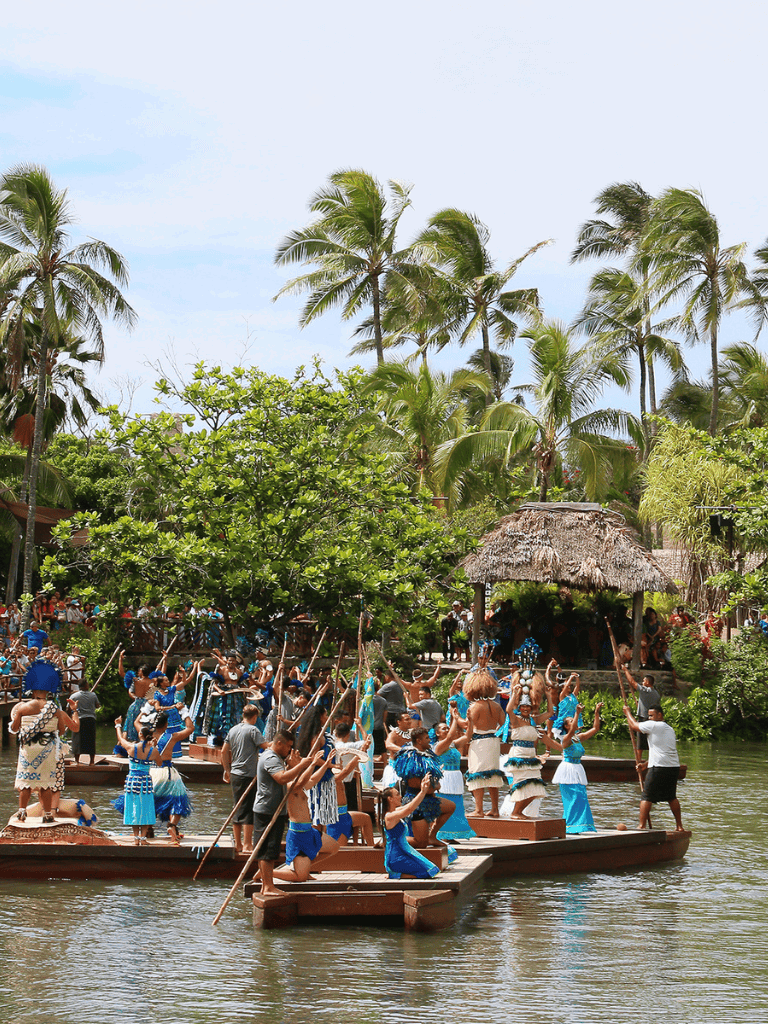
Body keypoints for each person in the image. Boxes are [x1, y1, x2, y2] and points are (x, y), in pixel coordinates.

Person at [252, 729, 318, 896]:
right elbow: (281, 778)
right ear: (279, 743)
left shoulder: (276, 758)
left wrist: (295, 765)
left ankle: (267, 885)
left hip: (274, 809)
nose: (289, 750)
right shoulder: (270, 758)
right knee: (267, 851)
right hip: (267, 809)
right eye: (288, 746)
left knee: (270, 850)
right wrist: (302, 766)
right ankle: (268, 887)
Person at [10, 666, 80, 822]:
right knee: (46, 784)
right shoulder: (55, 710)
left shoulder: (23, 708)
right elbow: (61, 731)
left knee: (26, 782)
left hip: (28, 749)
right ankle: (48, 814)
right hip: (47, 749)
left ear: (32, 690)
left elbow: (14, 729)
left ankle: (22, 812)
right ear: (48, 691)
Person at [272, 750, 340, 883]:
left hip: (309, 831)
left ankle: (305, 867)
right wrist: (312, 764)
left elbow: (313, 780)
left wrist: (326, 765)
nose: (299, 756)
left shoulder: (300, 784)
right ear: (289, 762)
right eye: (295, 757)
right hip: (298, 834)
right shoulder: (288, 785)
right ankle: (268, 872)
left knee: (333, 847)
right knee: (300, 878)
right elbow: (301, 781)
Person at [540, 702, 604, 833]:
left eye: (573, 720)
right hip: (568, 770)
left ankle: (578, 825)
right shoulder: (566, 739)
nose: (574, 722)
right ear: (565, 726)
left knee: (581, 797)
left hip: (577, 769)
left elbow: (595, 728)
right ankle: (571, 826)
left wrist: (596, 712)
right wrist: (577, 713)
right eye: (570, 721)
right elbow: (574, 727)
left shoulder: (577, 738)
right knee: (573, 798)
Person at [623, 703, 685, 832]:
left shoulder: (655, 725)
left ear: (659, 715)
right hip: (672, 767)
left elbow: (634, 726)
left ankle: (641, 826)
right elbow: (661, 751)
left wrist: (627, 712)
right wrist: (645, 765)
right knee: (671, 796)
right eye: (648, 716)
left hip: (660, 767)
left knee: (646, 796)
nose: (649, 718)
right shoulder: (670, 729)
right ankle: (679, 826)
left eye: (652, 715)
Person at [392, 726, 454, 847]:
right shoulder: (411, 758)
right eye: (426, 738)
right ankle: (391, 839)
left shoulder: (426, 755)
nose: (429, 740)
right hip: (416, 802)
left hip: (428, 799)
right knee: (421, 843)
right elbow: (416, 784)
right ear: (419, 741)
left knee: (450, 806)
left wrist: (433, 785)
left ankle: (432, 836)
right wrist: (435, 786)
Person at [500, 684, 550, 820]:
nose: (526, 708)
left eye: (528, 706)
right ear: (520, 707)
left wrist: (548, 694)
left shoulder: (534, 720)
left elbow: (551, 712)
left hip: (530, 756)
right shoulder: (516, 720)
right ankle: (516, 812)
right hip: (519, 755)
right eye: (523, 706)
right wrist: (515, 693)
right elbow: (509, 709)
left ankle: (518, 811)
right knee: (523, 784)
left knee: (536, 787)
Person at [222, 704, 268, 853]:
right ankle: (247, 844)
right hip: (248, 774)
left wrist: (226, 770)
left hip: (235, 773)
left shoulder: (233, 729)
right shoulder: (253, 730)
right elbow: (265, 746)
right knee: (248, 809)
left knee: (238, 806)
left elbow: (224, 751)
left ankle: (238, 844)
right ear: (254, 717)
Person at [380, 778, 441, 880]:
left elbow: (410, 806)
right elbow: (409, 810)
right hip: (395, 857)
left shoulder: (395, 811)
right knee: (426, 873)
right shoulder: (389, 817)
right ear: (390, 799)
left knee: (432, 870)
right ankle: (395, 875)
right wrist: (422, 791)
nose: (400, 796)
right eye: (397, 795)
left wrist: (423, 791)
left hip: (402, 853)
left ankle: (395, 873)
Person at [464, 668, 506, 817]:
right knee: (492, 774)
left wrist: (456, 717)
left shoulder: (474, 706)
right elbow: (504, 725)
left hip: (479, 742)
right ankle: (495, 809)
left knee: (477, 774)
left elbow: (467, 725)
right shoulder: (496, 706)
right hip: (493, 741)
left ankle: (478, 809)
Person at [113, 719, 158, 844]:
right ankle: (143, 839)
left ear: (140, 735)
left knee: (134, 808)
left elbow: (121, 741)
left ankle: (136, 838)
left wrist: (118, 726)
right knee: (145, 808)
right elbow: (160, 762)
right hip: (145, 782)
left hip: (133, 782)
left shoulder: (132, 747)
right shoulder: (153, 751)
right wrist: (154, 746)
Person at [433, 718, 476, 842]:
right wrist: (455, 719)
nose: (446, 730)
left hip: (456, 777)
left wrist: (470, 720)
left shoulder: (453, 744)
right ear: (437, 733)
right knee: (446, 804)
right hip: (445, 778)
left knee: (457, 805)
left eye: (447, 727)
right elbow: (451, 736)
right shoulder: (439, 746)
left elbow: (468, 735)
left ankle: (451, 834)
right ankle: (442, 833)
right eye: (443, 729)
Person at [618, 662, 661, 765]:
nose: (642, 682)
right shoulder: (656, 693)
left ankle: (638, 762)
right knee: (651, 742)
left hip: (644, 719)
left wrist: (625, 670)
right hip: (653, 720)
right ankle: (650, 761)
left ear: (647, 682)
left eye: (643, 680)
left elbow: (632, 682)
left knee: (640, 744)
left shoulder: (645, 690)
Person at [69, 684, 100, 766]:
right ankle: (92, 761)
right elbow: (97, 705)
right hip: (90, 719)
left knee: (77, 739)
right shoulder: (93, 695)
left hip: (79, 719)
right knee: (91, 740)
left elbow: (69, 707)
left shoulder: (74, 696)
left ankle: (77, 761)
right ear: (87, 686)